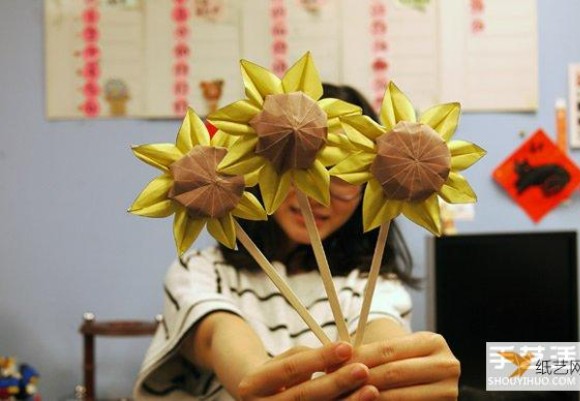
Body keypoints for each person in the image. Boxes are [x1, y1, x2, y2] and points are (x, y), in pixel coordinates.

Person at [133, 84, 460, 401]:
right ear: (260, 164)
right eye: (305, 166)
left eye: (343, 177)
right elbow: (217, 335)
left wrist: (397, 371)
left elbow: (381, 329)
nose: (319, 196)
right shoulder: (202, 271)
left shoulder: (372, 283)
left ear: (372, 182)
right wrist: (257, 376)